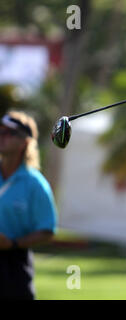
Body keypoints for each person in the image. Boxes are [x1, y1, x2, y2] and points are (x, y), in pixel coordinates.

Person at [0, 111, 58, 300]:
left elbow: (47, 230)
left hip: (13, 266)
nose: (2, 136)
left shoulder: (35, 184)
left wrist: (13, 243)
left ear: (24, 142)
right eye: (1, 131)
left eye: (9, 133)